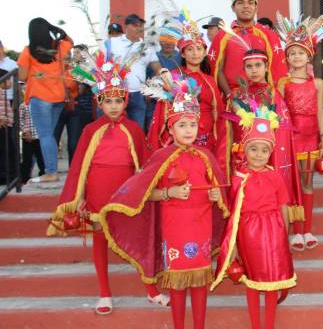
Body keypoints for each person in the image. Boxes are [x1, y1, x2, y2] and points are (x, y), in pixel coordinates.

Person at [99, 73, 229, 329]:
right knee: (178, 282)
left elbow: (220, 193)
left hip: (201, 225)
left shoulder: (206, 156)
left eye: (192, 124)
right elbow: (147, 193)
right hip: (175, 226)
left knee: (200, 281)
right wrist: (169, 193)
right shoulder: (162, 156)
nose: (188, 130)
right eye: (182, 125)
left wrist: (216, 197)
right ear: (171, 128)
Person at [46, 52, 167, 314]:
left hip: (126, 194)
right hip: (98, 194)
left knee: (139, 237)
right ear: (99, 102)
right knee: (100, 240)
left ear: (126, 101)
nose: (113, 106)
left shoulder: (134, 128)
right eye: (107, 101)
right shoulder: (90, 130)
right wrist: (78, 197)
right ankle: (104, 293)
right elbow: (79, 166)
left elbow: (144, 165)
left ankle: (151, 289)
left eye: (118, 101)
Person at [212, 108, 297, 329]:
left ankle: (269, 324)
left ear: (270, 153)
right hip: (249, 235)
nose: (258, 155)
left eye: (264, 150)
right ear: (244, 150)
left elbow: (283, 207)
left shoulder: (275, 176)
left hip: (275, 231)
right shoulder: (238, 178)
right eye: (253, 149)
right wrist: (236, 246)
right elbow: (233, 214)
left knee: (272, 281)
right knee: (252, 280)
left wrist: (285, 234)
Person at [218, 49, 303, 236]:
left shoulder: (273, 94)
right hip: (243, 158)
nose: (254, 70)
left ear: (266, 68)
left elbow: (281, 134)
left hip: (268, 160)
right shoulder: (237, 95)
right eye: (249, 66)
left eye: (258, 65)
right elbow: (230, 130)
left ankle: (276, 236)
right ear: (244, 69)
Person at [276, 13, 323, 251]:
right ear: (287, 57)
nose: (296, 56)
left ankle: (307, 229)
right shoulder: (282, 83)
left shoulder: (317, 83)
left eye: (300, 52)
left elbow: (320, 112)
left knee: (308, 183)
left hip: (311, 138)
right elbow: (279, 115)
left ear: (309, 55)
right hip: (290, 139)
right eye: (292, 53)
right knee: (292, 186)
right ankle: (295, 232)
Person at [204, 0, 287, 99]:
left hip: (264, 101)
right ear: (233, 7)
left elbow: (276, 70)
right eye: (240, 2)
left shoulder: (268, 36)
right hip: (234, 100)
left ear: (256, 7)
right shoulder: (223, 36)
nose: (246, 6)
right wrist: (230, 95)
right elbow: (217, 69)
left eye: (250, 2)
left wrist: (268, 98)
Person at [147, 11, 223, 153]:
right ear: (182, 53)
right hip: (179, 136)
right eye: (190, 49)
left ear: (205, 52)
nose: (195, 53)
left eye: (199, 49)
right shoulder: (174, 77)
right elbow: (163, 111)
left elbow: (217, 114)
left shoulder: (210, 81)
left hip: (206, 139)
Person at [17, 18, 73, 184]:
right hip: (59, 98)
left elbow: (21, 76)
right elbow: (71, 41)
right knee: (49, 135)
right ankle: (51, 169)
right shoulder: (59, 46)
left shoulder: (28, 51)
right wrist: (59, 31)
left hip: (40, 97)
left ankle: (51, 172)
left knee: (45, 135)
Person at [103, 13, 161, 129]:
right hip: (116, 94)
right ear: (126, 27)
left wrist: (152, 86)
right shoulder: (113, 42)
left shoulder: (147, 47)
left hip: (138, 95)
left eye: (140, 25)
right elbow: (102, 65)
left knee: (137, 130)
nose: (139, 28)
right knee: (114, 129)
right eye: (135, 25)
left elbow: (158, 69)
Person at [19, 85, 45, 185]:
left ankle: (43, 174)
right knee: (27, 159)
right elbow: (20, 120)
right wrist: (25, 131)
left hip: (39, 137)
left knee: (41, 158)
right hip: (28, 138)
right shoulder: (23, 105)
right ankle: (24, 178)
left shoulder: (41, 105)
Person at [0, 69, 17, 185]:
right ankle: (5, 176)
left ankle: (9, 175)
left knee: (9, 150)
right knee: (5, 151)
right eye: (9, 80)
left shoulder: (2, 92)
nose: (11, 83)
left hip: (7, 125)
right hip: (2, 125)